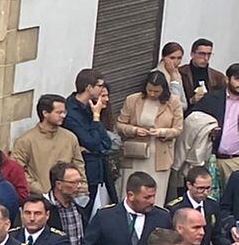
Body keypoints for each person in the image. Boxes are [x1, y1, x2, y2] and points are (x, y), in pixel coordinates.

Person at [121, 69, 186, 205]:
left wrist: (162, 132)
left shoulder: (173, 102)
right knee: (132, 188)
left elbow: (178, 129)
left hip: (159, 154)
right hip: (136, 152)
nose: (152, 94)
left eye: (156, 91)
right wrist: (134, 130)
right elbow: (120, 124)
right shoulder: (133, 100)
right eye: (149, 90)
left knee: (155, 193)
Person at [16, 96, 87, 201]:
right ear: (45, 113)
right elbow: (19, 171)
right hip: (40, 200)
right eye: (59, 112)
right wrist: (40, 189)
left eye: (64, 112)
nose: (63, 115)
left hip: (69, 198)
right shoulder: (25, 141)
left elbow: (79, 165)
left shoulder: (70, 137)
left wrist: (82, 188)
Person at [65, 71, 120, 204]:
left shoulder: (92, 106)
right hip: (82, 170)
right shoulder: (71, 112)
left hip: (97, 168)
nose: (102, 89)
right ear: (89, 88)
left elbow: (106, 143)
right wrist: (96, 117)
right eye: (100, 86)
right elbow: (92, 143)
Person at [50, 162, 96, 245]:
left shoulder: (80, 207)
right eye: (74, 183)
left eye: (80, 182)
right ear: (59, 185)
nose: (79, 186)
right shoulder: (45, 209)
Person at [182, 39, 217, 110]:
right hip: (186, 115)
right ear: (192, 54)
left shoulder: (217, 77)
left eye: (209, 54)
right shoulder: (181, 73)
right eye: (202, 54)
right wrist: (191, 101)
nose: (206, 58)